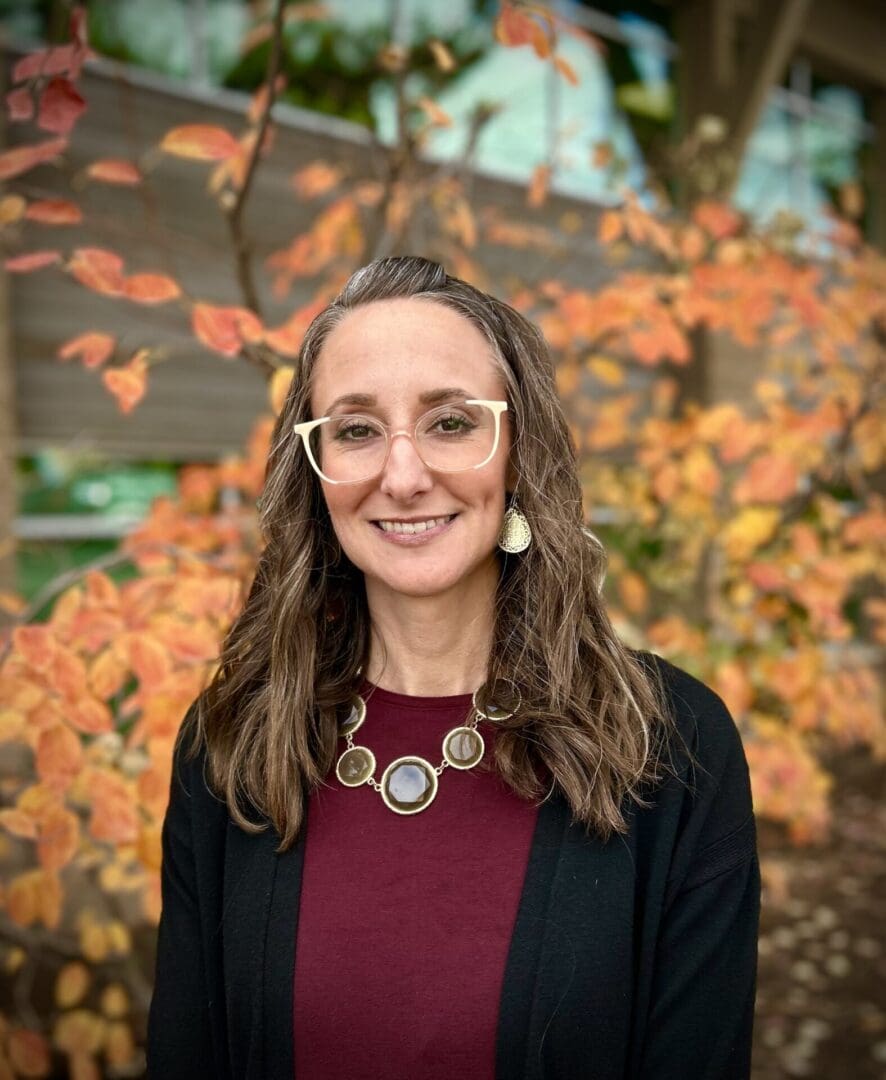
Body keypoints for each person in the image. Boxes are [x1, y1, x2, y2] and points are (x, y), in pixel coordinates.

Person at [146, 255, 760, 1080]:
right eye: (357, 430)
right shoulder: (231, 743)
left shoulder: (672, 746)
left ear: (517, 449)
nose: (403, 477)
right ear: (315, 470)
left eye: (451, 423)